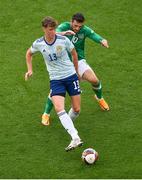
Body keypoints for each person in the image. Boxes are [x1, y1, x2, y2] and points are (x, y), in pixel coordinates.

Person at [25, 16, 83, 151]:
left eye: (54, 29)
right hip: (56, 80)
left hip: (70, 76)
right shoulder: (39, 43)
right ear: (44, 29)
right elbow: (28, 54)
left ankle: (68, 124)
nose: (52, 32)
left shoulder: (63, 40)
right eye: (50, 29)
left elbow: (74, 54)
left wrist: (76, 72)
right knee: (58, 108)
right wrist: (30, 70)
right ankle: (75, 137)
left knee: (77, 109)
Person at [42, 13, 110, 126]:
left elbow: (94, 35)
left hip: (79, 61)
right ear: (71, 21)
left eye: (80, 26)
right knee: (56, 90)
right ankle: (46, 113)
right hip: (63, 64)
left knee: (94, 80)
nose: (77, 28)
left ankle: (99, 98)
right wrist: (64, 33)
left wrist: (102, 40)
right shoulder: (64, 27)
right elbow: (52, 33)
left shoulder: (84, 30)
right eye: (75, 25)